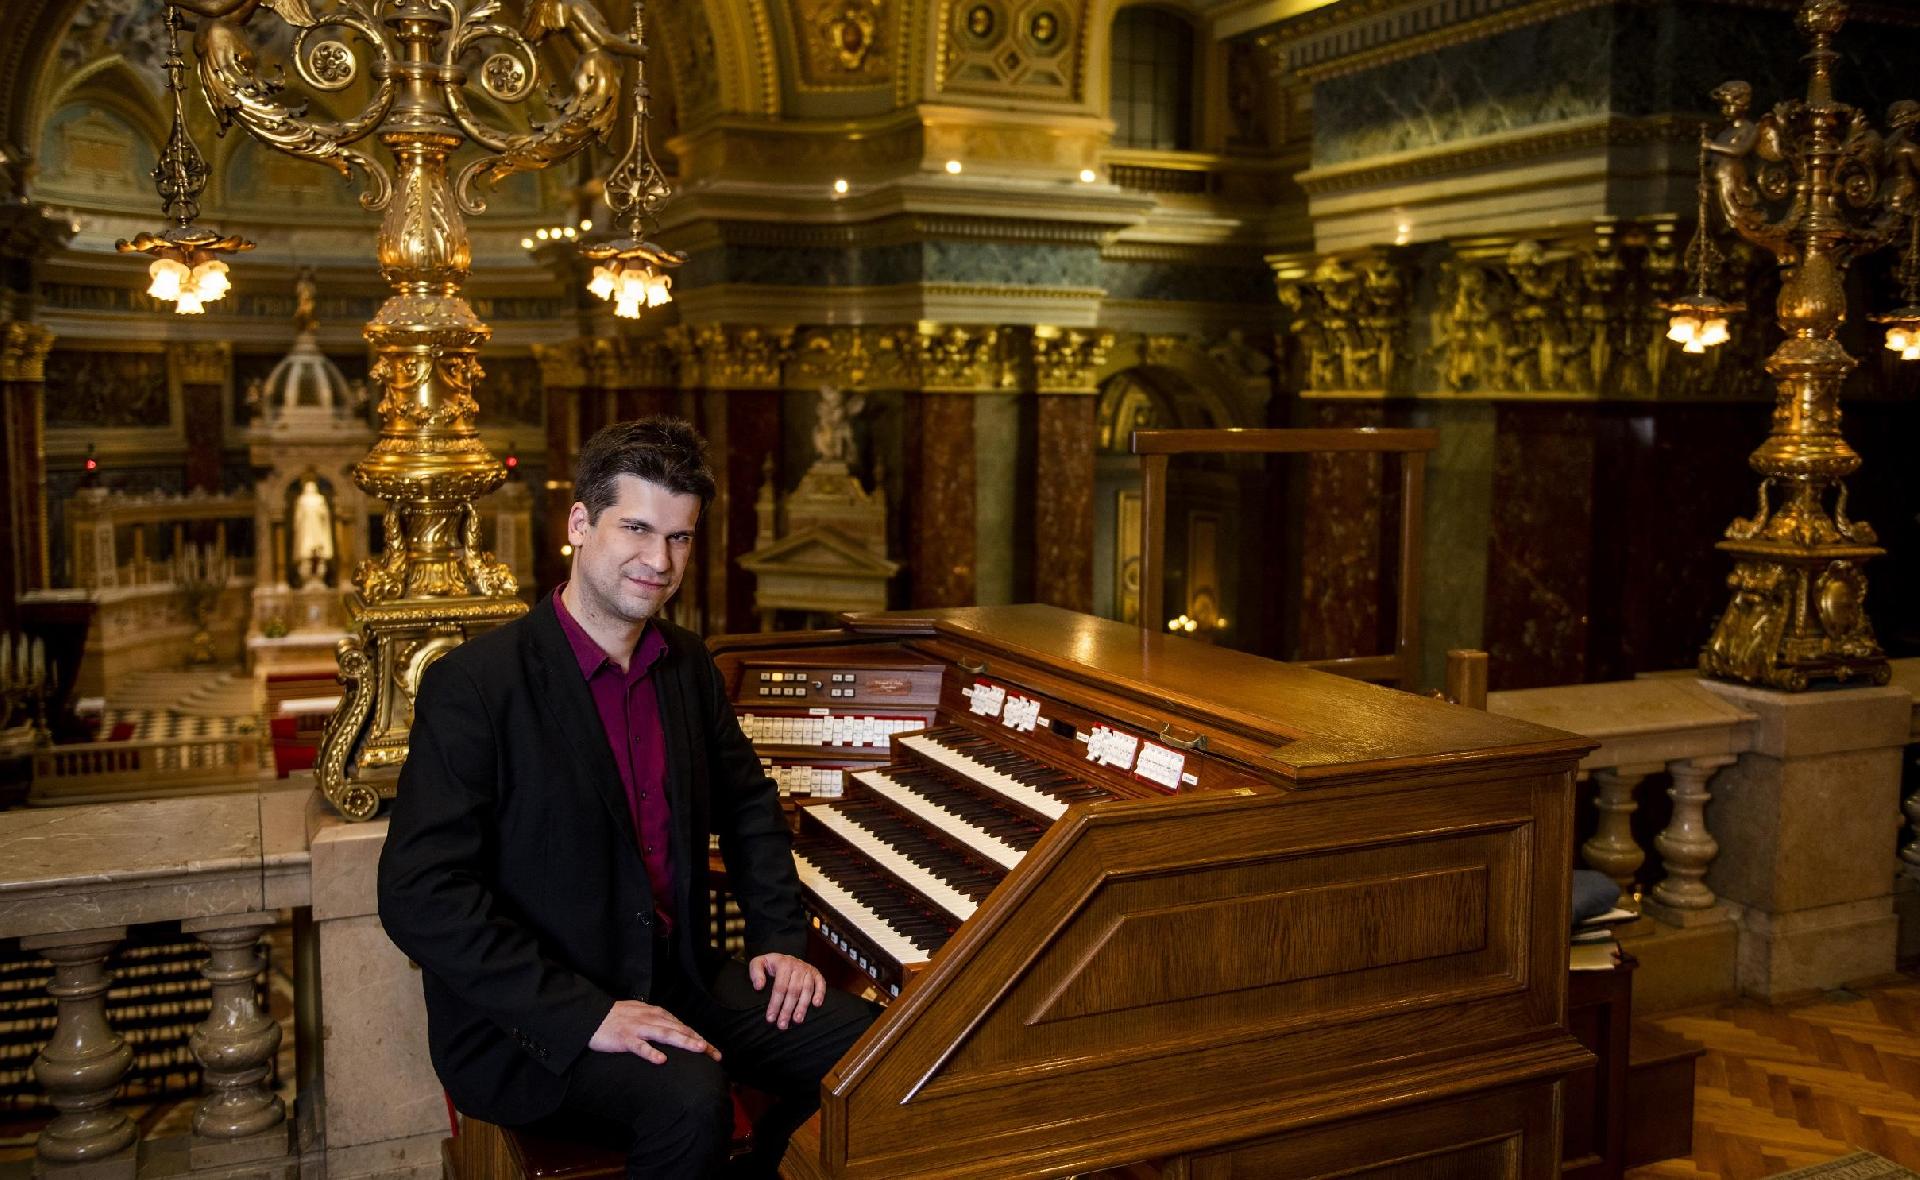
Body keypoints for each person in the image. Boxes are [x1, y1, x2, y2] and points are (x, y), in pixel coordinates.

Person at [378, 417, 877, 1179]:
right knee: (687, 1096)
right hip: (531, 1019)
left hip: (675, 978)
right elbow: (420, 895)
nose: (659, 560)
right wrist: (586, 1016)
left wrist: (777, 936)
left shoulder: (687, 666)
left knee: (878, 1050)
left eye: (680, 538)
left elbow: (748, 806)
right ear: (580, 524)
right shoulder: (476, 685)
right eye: (636, 529)